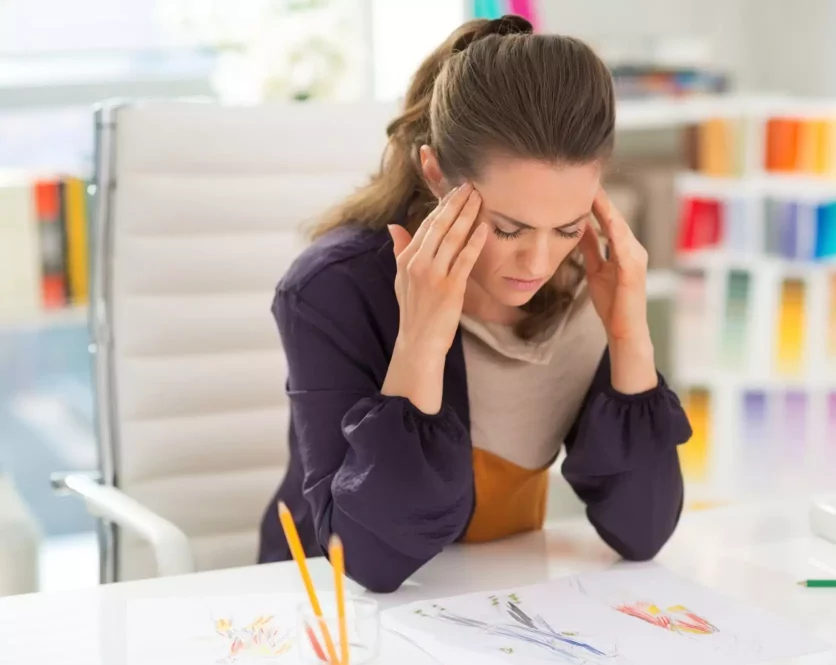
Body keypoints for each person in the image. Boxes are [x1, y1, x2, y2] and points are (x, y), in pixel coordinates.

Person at [257, 15, 692, 592]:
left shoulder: (586, 276)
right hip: (336, 617)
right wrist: (421, 342)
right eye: (508, 230)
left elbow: (643, 531)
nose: (539, 265)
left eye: (566, 226)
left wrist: (629, 335)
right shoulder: (331, 290)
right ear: (436, 174)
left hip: (496, 606)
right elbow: (370, 563)